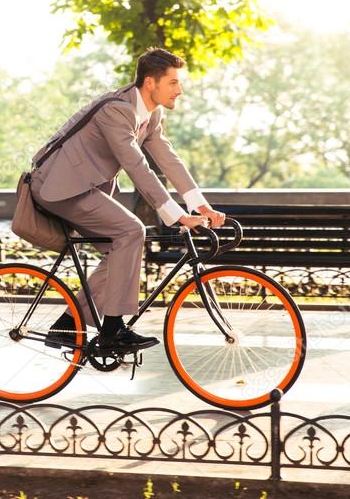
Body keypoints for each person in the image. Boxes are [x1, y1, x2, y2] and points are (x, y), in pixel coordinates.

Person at [29, 47, 226, 351]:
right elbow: (137, 165)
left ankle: (67, 325)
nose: (180, 90)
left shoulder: (151, 112)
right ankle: (112, 330)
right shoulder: (117, 110)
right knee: (131, 230)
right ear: (151, 83)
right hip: (58, 186)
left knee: (122, 250)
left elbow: (167, 158)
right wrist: (176, 215)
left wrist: (198, 202)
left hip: (83, 187)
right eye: (173, 83)